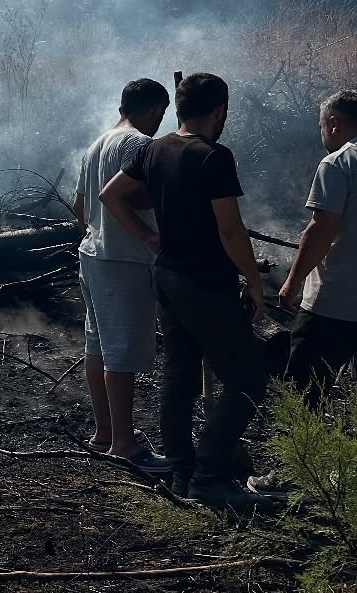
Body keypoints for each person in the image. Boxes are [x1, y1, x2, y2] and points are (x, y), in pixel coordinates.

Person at [101, 72, 273, 512]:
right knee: (249, 379)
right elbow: (230, 230)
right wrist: (254, 281)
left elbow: (110, 194)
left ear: (177, 108)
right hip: (205, 281)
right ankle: (209, 477)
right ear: (220, 110)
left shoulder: (154, 148)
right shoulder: (213, 156)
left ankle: (181, 471)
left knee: (179, 378)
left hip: (169, 276)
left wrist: (145, 235)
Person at [72, 78, 170, 470]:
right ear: (150, 110)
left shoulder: (97, 144)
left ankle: (105, 431)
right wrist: (145, 235)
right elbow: (128, 197)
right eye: (160, 115)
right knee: (121, 351)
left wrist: (97, 234)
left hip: (95, 255)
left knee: (98, 343)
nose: (160, 123)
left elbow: (80, 205)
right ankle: (125, 445)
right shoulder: (138, 145)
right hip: (124, 259)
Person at [275, 89, 357, 402]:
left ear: (334, 123)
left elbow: (321, 230)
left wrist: (292, 284)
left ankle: (305, 451)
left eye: (321, 126)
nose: (322, 132)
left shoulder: (339, 162)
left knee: (305, 392)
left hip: (334, 304)